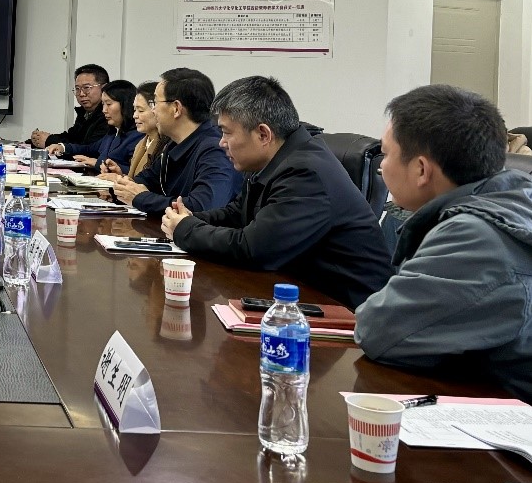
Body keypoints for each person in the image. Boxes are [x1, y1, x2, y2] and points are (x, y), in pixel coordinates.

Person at [354, 85, 532, 402]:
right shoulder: (513, 199)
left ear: (421, 170)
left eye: (386, 153)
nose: (381, 166)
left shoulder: (475, 237)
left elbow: (377, 331)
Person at [160, 76, 392, 309]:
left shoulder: (306, 173)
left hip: (347, 312)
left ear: (263, 134)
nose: (221, 142)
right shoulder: (276, 160)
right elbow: (237, 213)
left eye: (227, 133)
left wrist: (186, 229)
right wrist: (191, 217)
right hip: (300, 295)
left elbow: (254, 249)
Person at [110, 68, 241, 215]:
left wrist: (141, 198)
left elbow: (203, 206)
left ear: (176, 108)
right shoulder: (173, 144)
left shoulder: (215, 149)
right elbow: (144, 181)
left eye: (155, 103)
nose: (153, 111)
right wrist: (122, 188)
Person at [45, 80, 144, 174]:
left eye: (109, 104)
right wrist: (63, 147)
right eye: (103, 104)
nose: (104, 110)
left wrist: (97, 163)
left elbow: (136, 173)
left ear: (126, 105)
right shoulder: (112, 133)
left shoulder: (137, 136)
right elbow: (89, 148)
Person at [29, 63, 111, 148]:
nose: (81, 94)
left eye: (86, 88)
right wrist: (38, 139)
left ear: (104, 88)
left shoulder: (108, 115)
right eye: (77, 89)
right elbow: (72, 137)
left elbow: (88, 148)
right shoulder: (84, 113)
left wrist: (49, 140)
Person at [122, 81, 164, 179]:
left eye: (140, 110)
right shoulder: (141, 143)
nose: (135, 115)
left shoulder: (165, 147)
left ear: (157, 110)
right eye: (134, 110)